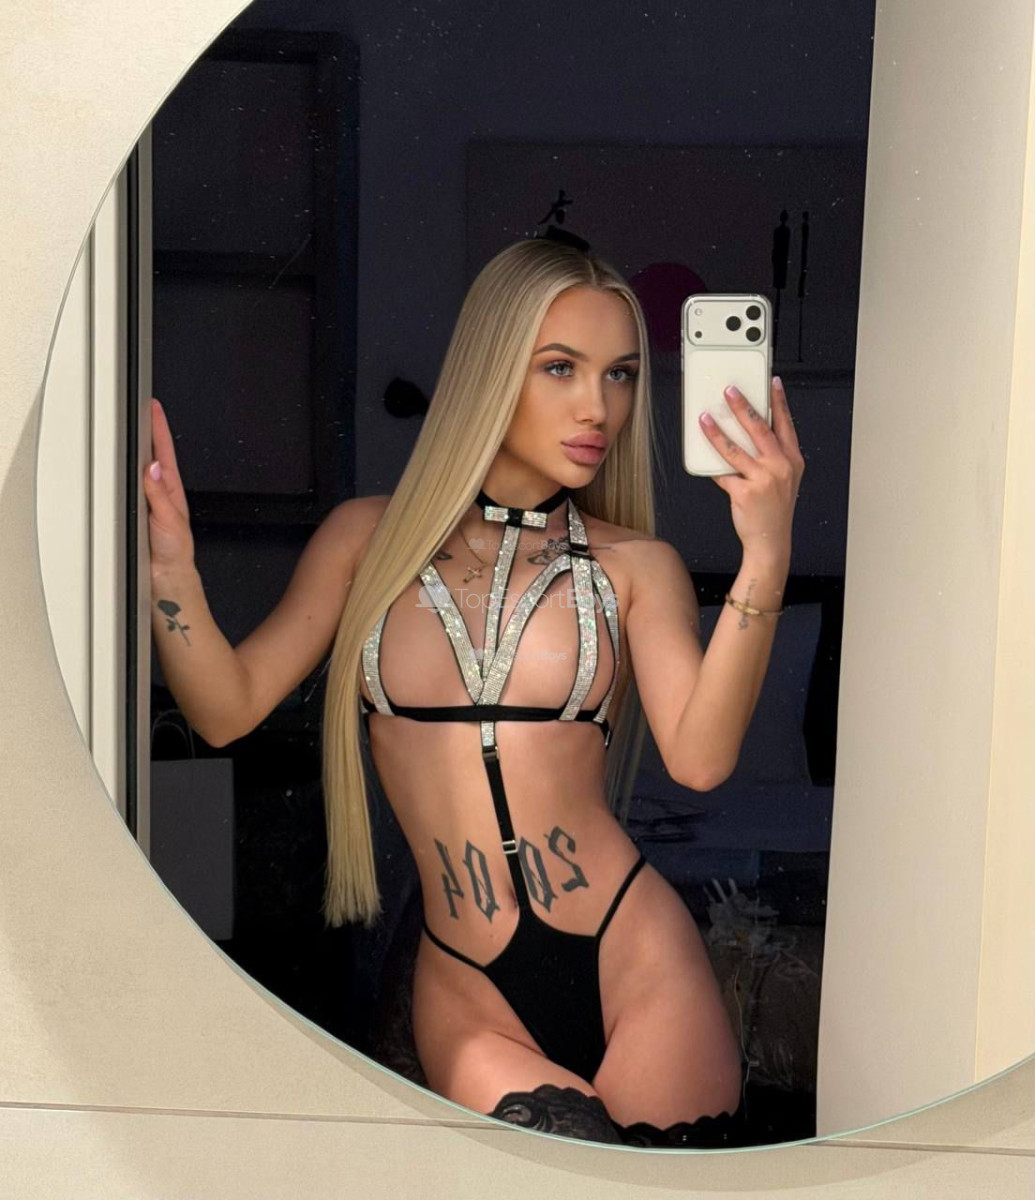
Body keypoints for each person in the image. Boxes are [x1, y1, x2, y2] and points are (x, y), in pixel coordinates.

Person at [144, 237, 804, 1147]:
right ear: (491, 370)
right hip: (468, 980)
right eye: (560, 368)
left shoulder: (635, 565)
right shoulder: (365, 541)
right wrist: (172, 575)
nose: (597, 406)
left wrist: (765, 550)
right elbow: (226, 710)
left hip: (636, 954)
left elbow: (698, 760)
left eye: (618, 375)